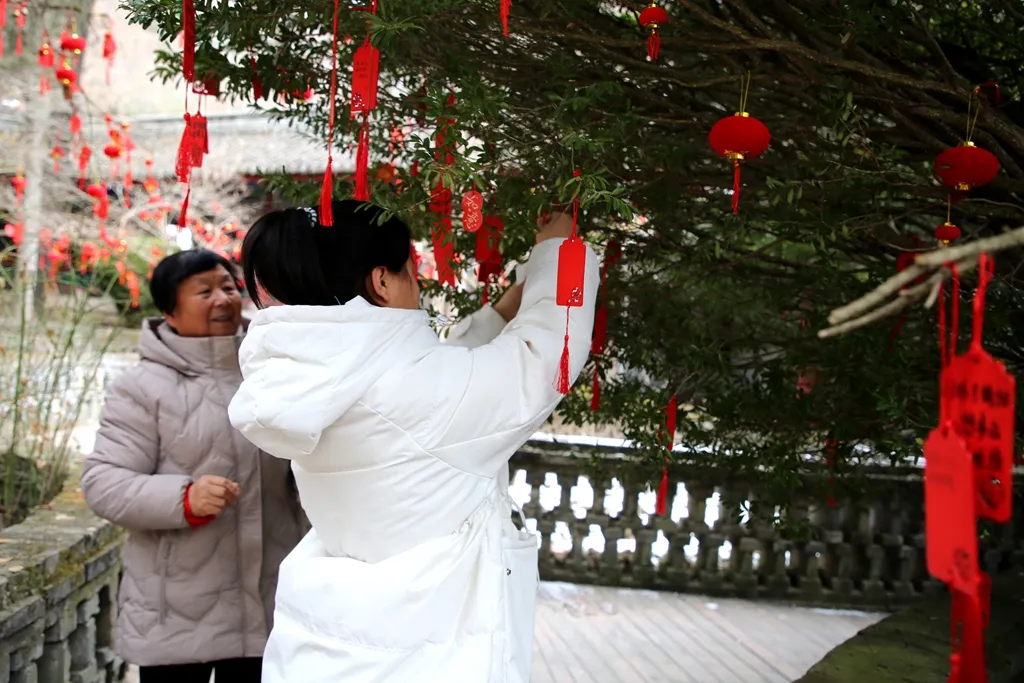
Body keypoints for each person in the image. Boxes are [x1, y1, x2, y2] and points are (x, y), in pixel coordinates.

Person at [227, 200, 599, 683]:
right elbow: (546, 356)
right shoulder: (418, 398)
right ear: (381, 282)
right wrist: (560, 252)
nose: (418, 286)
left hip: (333, 648)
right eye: (410, 273)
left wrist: (502, 312)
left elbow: (426, 385)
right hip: (426, 656)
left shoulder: (314, 383)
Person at [80, 249, 306, 683]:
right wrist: (183, 497)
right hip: (176, 614)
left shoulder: (273, 373)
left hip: (270, 603)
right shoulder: (141, 388)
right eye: (203, 291)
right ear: (169, 310)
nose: (222, 299)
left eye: (227, 287)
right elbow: (103, 482)